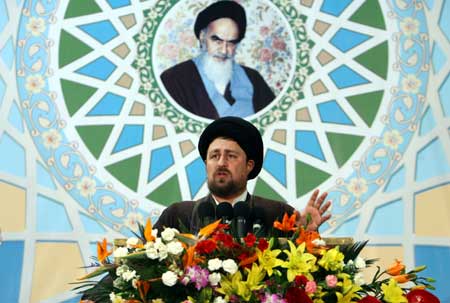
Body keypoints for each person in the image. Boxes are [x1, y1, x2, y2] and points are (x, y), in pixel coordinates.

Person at [154, 116, 331, 236]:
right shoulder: (177, 216)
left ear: (249, 165)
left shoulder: (278, 214)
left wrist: (306, 236)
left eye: (231, 156)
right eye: (214, 156)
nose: (221, 162)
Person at [160, 0, 275, 119]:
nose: (224, 51)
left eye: (231, 43)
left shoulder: (253, 78)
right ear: (202, 36)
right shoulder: (174, 79)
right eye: (217, 40)